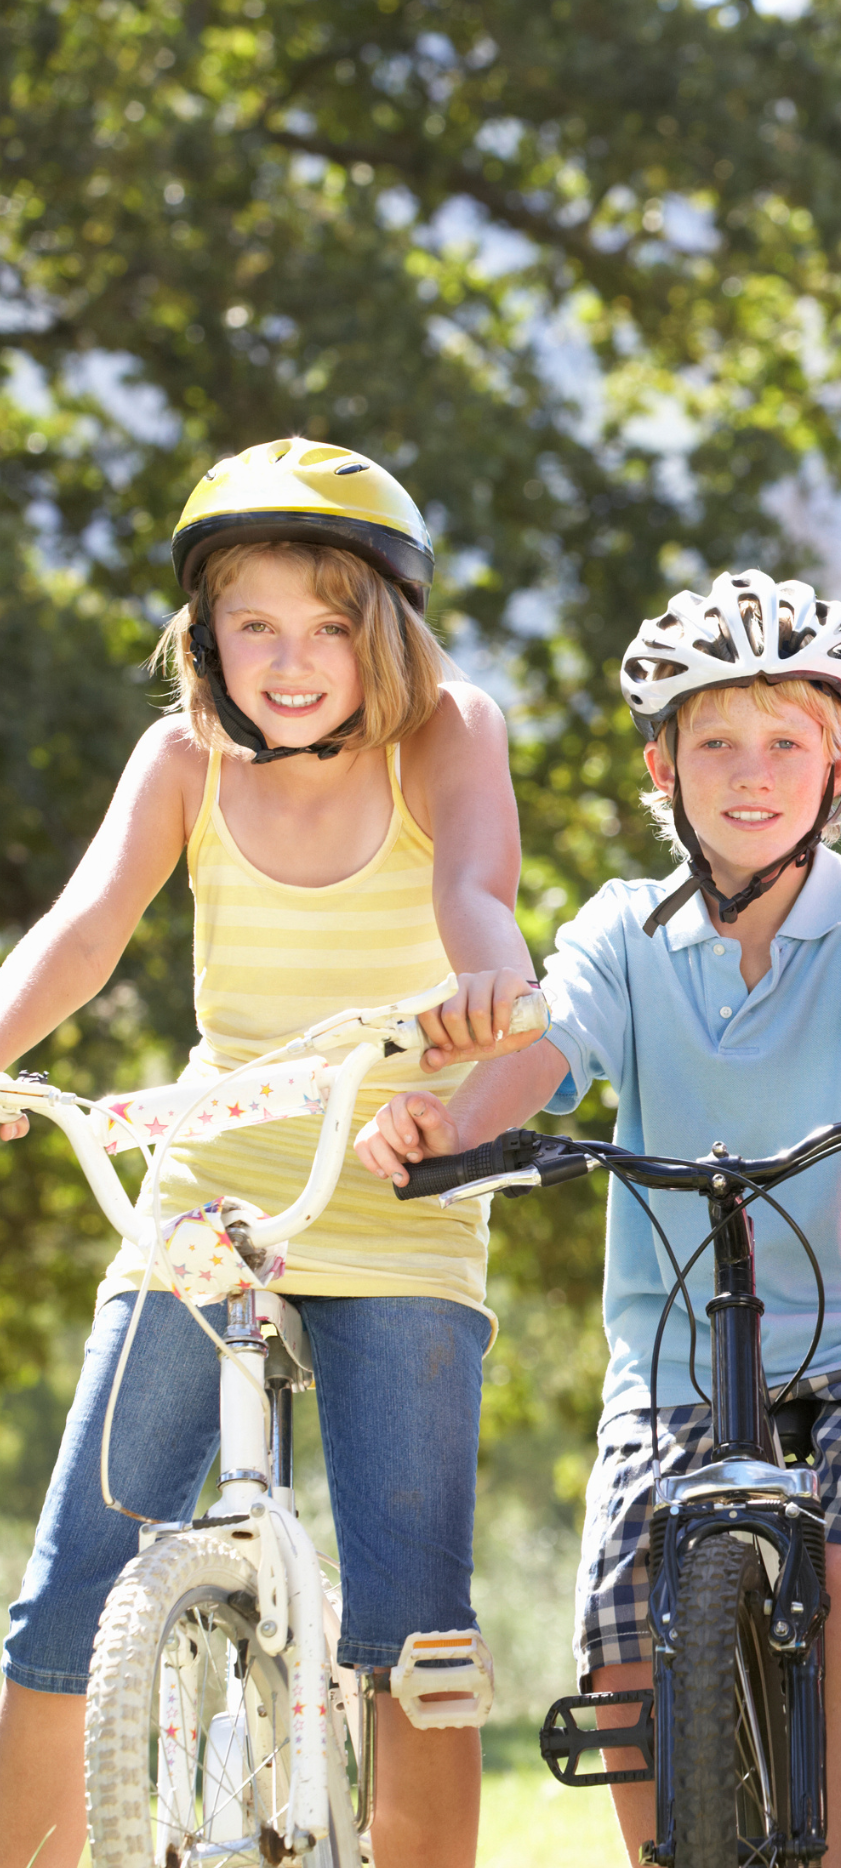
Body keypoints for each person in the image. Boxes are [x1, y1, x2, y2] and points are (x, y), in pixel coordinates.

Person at [358, 569, 841, 1868]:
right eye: (715, 743)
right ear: (663, 763)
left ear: (837, 762)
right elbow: (543, 1050)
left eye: (784, 742)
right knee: (623, 1638)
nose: (751, 773)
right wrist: (452, 1128)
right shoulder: (621, 933)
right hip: (679, 1348)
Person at [0, 438, 539, 1868]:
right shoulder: (181, 760)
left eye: (327, 626)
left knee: (413, 1631)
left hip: (393, 1185)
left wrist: (493, 997)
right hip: (211, 1183)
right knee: (65, 1602)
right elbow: (84, 929)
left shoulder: (450, 731)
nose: (290, 661)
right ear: (207, 637)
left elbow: (478, 888)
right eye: (255, 625)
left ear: (388, 633)